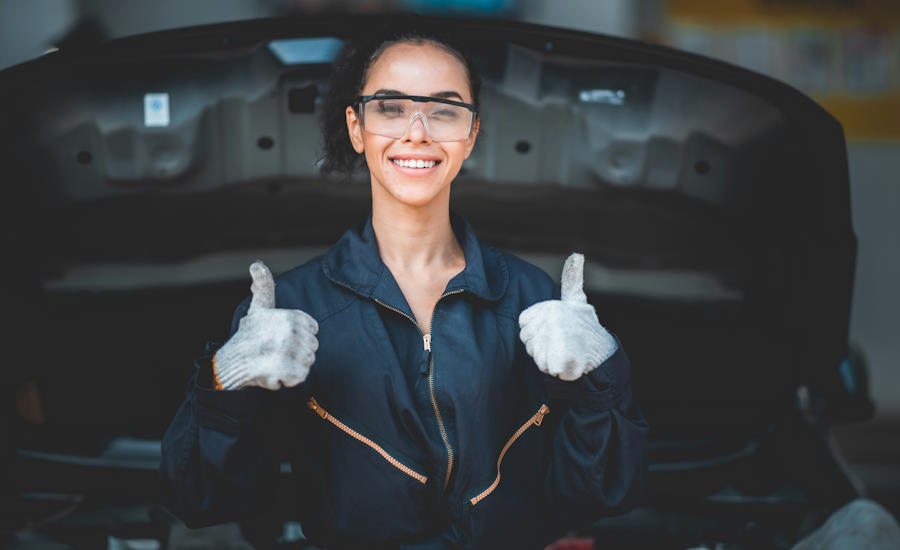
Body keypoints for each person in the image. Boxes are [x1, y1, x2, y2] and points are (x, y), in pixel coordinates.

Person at [160, 25, 648, 549]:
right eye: (390, 108)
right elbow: (202, 500)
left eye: (444, 109)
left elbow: (597, 497)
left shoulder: (535, 300)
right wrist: (225, 385)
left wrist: (602, 375)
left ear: (472, 133)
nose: (417, 131)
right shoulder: (286, 310)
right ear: (356, 126)